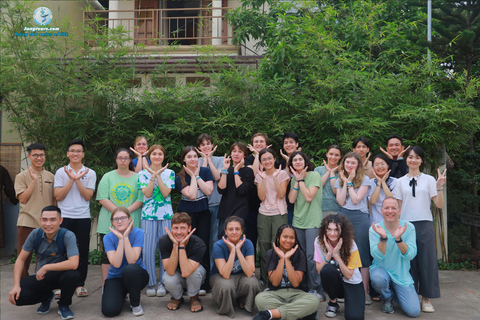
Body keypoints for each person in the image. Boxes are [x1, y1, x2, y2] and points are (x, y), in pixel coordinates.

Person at [393, 146, 446, 313]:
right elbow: (398, 207)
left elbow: (439, 205)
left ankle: (426, 298)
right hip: (406, 225)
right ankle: (412, 296)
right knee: (408, 262)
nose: (413, 160)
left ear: (421, 160)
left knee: (427, 261)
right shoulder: (399, 181)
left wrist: (439, 187)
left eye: (417, 157)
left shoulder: (429, 180)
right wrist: (396, 227)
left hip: (424, 223)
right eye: (410, 157)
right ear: (406, 159)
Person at [8, 205, 79, 320]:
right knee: (17, 296)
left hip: (61, 275)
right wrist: (16, 285)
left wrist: (46, 267)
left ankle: (64, 305)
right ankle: (46, 296)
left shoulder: (67, 235)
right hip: (41, 277)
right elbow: (21, 259)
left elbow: (74, 263)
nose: (48, 224)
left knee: (73, 274)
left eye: (53, 219)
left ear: (60, 221)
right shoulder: (35, 234)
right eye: (45, 220)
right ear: (40, 220)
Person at [54, 139, 96, 298]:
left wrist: (78, 179)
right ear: (67, 153)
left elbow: (87, 196)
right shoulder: (60, 172)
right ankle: (60, 285)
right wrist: (71, 178)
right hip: (64, 217)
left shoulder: (90, 173)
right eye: (72, 151)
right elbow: (58, 196)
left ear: (83, 154)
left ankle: (79, 284)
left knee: (82, 251)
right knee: (61, 252)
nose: (75, 153)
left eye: (78, 151)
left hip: (83, 217)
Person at [96, 148, 143, 283]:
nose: (123, 160)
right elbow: (103, 198)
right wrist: (119, 216)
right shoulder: (108, 176)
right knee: (107, 256)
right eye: (120, 158)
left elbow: (140, 199)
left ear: (130, 160)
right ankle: (107, 284)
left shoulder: (137, 177)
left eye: (126, 158)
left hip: (131, 221)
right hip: (109, 223)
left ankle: (129, 285)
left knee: (130, 255)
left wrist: (124, 215)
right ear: (116, 160)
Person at [253, 225, 319, 320]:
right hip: (276, 293)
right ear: (278, 238)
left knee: (314, 300)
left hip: (297, 293)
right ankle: (298, 313)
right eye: (285, 236)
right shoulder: (271, 253)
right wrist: (281, 258)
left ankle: (271, 314)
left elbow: (296, 283)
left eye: (292, 237)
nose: (288, 240)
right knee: (260, 299)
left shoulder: (300, 254)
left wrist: (287, 259)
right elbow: (275, 282)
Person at [369, 197, 420, 317]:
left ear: (399, 211)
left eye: (393, 208)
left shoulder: (409, 228)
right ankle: (387, 297)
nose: (390, 211)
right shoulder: (375, 229)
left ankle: (396, 294)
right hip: (381, 272)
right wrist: (383, 238)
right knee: (377, 278)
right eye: (386, 208)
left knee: (414, 311)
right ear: (381, 211)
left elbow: (411, 255)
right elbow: (377, 256)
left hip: (401, 276)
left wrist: (398, 239)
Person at [137, 144, 175, 297]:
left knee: (164, 250)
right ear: (149, 156)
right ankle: (151, 283)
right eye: (154, 154)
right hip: (148, 216)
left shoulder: (170, 173)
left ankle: (163, 283)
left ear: (163, 156)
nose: (157, 156)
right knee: (148, 251)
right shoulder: (141, 174)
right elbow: (146, 194)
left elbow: (166, 193)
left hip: (166, 216)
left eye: (160, 154)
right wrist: (152, 175)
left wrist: (159, 175)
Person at [335, 152, 372, 304]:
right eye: (347, 162)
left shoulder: (365, 179)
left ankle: (364, 292)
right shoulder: (339, 180)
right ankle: (344, 291)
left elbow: (356, 200)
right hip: (343, 216)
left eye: (353, 163)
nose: (349, 165)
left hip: (360, 218)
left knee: (362, 254)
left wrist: (349, 183)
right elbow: (341, 201)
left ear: (358, 165)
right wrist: (345, 182)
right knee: (343, 253)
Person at [176, 146, 214, 290]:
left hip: (203, 212)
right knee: (185, 246)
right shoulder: (179, 176)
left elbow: (209, 191)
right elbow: (191, 194)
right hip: (186, 215)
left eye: (194, 156)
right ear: (184, 159)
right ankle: (185, 282)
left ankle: (203, 283)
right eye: (189, 157)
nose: (193, 159)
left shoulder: (205, 171)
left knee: (203, 245)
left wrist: (197, 176)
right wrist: (192, 176)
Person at [287, 151, 324, 300]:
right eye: (294, 160)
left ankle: (318, 289)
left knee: (312, 256)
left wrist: (301, 180)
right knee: (301, 255)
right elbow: (291, 199)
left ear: (305, 161)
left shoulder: (314, 175)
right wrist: (296, 181)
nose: (297, 162)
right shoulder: (294, 179)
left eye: (300, 159)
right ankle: (306, 286)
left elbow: (309, 197)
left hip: (312, 222)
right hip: (298, 222)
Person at [14, 143, 53, 279]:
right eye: (35, 155)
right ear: (29, 156)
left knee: (44, 258)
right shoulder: (21, 176)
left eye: (41, 155)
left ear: (45, 156)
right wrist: (33, 181)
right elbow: (23, 199)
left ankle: (40, 287)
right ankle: (22, 287)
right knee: (23, 258)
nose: (39, 158)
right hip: (27, 222)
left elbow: (54, 201)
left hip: (46, 224)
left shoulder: (51, 176)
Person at [315, 214, 364, 319]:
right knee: (327, 270)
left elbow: (349, 275)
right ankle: (333, 303)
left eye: (336, 230)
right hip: (336, 284)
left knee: (355, 317)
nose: (332, 234)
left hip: (351, 282)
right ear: (325, 230)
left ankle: (351, 302)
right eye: (329, 229)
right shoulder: (319, 242)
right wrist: (329, 254)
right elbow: (320, 271)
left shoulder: (351, 244)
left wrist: (336, 255)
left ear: (342, 231)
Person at [101, 207, 149, 317]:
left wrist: (126, 237)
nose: (120, 221)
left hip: (136, 276)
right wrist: (121, 240)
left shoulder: (138, 232)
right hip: (116, 278)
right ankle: (121, 294)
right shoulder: (108, 238)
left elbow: (132, 260)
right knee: (109, 311)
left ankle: (135, 303)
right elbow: (116, 264)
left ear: (129, 220)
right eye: (116, 219)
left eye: (123, 218)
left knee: (130, 269)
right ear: (112, 223)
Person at [210, 216, 260, 318]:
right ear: (225, 231)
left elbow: (250, 273)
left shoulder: (248, 243)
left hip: (241, 275)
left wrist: (238, 250)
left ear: (242, 231)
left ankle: (244, 301)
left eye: (237, 229)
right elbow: (225, 274)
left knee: (253, 282)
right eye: (230, 229)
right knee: (226, 285)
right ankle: (226, 307)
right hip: (220, 276)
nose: (234, 232)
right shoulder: (218, 245)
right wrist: (233, 251)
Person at [159, 212, 207, 313]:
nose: (179, 232)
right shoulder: (164, 241)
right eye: (176, 228)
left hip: (193, 274)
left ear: (189, 229)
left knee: (196, 272)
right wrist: (176, 245)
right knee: (168, 277)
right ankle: (177, 297)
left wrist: (181, 247)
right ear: (171, 228)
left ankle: (194, 297)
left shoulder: (198, 243)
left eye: (183, 228)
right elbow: (171, 271)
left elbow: (186, 272)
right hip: (176, 274)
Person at [255, 148, 290, 283]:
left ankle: (279, 278)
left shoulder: (282, 174)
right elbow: (261, 196)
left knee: (279, 245)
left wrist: (274, 177)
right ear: (261, 162)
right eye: (264, 159)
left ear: (275, 159)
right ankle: (265, 277)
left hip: (279, 213)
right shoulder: (259, 175)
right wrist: (264, 179)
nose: (267, 161)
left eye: (270, 158)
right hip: (263, 213)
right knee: (264, 246)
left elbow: (281, 194)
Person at [196, 134, 224, 267]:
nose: (206, 146)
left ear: (212, 145)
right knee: (201, 239)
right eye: (203, 144)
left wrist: (208, 159)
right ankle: (203, 270)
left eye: (208, 143)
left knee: (215, 239)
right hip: (200, 205)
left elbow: (216, 176)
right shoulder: (195, 161)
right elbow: (201, 178)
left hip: (217, 203)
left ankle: (214, 269)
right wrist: (204, 159)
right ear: (199, 147)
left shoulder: (220, 159)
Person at [217, 142, 254, 238]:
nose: (236, 154)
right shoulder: (226, 170)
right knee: (222, 239)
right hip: (225, 211)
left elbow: (241, 190)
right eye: (234, 151)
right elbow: (221, 190)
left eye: (240, 151)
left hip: (240, 211)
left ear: (244, 155)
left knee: (237, 239)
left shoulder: (248, 171)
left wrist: (236, 170)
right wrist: (224, 170)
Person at [245, 133, 271, 258]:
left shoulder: (270, 159)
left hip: (269, 204)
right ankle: (252, 269)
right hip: (251, 204)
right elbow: (254, 173)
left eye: (262, 141)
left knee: (267, 239)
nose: (259, 143)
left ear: (266, 144)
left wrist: (264, 156)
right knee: (251, 236)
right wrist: (256, 155)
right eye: (256, 141)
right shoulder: (248, 160)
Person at [368, 154, 397, 225]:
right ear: (373, 168)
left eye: (382, 164)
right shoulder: (370, 182)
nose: (380, 167)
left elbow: (391, 200)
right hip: (375, 222)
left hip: (392, 222)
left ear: (388, 165)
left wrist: (383, 182)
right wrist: (379, 183)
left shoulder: (396, 181)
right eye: (376, 164)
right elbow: (373, 201)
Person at [279, 132, 301, 225]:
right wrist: (288, 162)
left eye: (291, 142)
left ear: (297, 144)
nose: (288, 145)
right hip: (286, 205)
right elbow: (284, 183)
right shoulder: (280, 164)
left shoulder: (305, 160)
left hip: (301, 203)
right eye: (286, 143)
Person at [314, 145, 342, 217]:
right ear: (327, 154)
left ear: (340, 157)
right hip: (318, 208)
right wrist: (328, 172)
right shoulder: (318, 170)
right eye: (331, 154)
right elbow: (317, 187)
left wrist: (332, 173)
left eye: (336, 155)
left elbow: (336, 191)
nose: (333, 157)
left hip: (336, 209)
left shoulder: (341, 173)